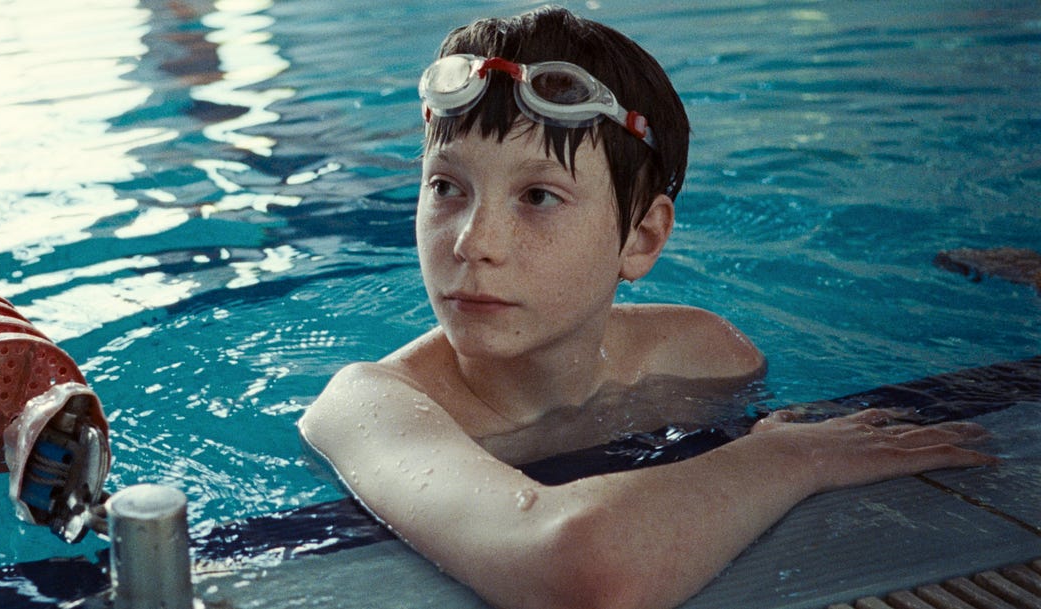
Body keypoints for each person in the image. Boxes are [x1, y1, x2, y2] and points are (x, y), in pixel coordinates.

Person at [297, 6, 999, 609]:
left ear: (642, 237)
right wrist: (791, 458)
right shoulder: (366, 406)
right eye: (446, 187)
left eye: (538, 196)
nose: (473, 243)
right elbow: (580, 570)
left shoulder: (706, 356)